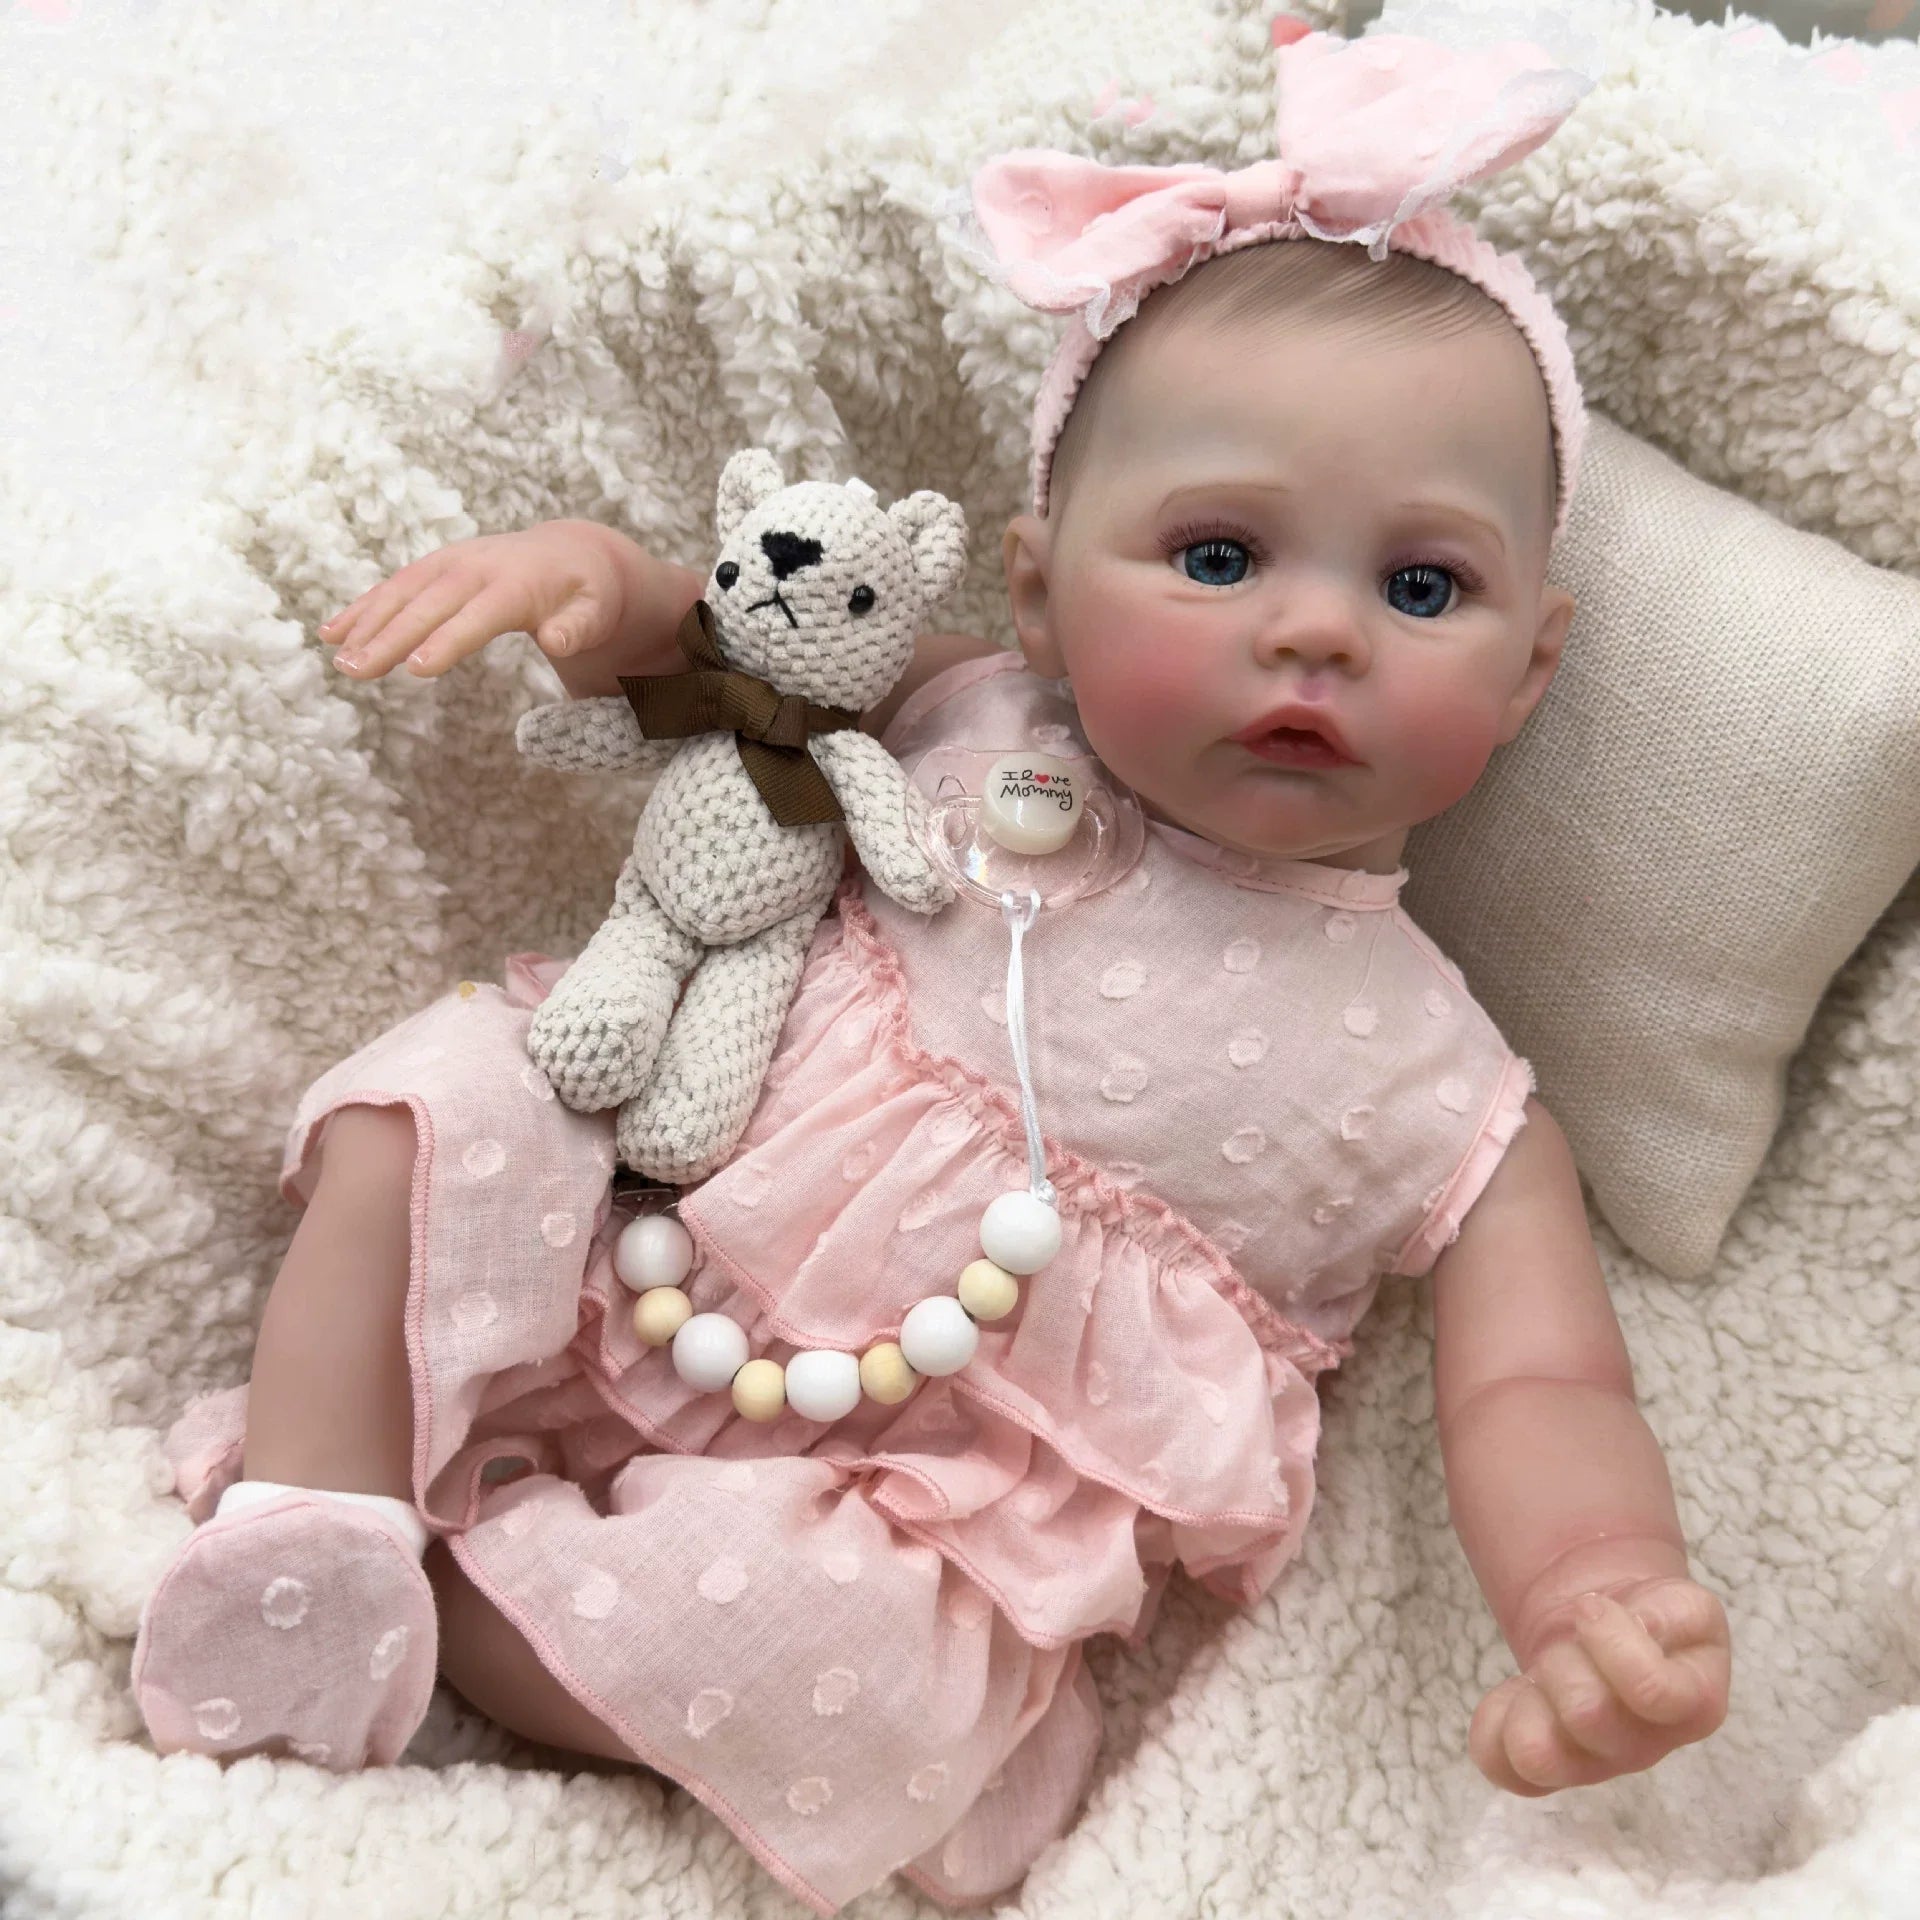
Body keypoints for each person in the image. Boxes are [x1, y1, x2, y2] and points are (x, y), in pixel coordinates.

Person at [130, 23, 1730, 1915]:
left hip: (885, 1506)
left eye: (1421, 588)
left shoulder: (1454, 1093)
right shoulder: (971, 709)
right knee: (447, 1101)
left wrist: (1595, 1588)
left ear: (1531, 666)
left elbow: (1538, 1384)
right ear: (1040, 592)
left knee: (848, 1662)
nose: (1317, 632)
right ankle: (319, 1515)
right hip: (627, 1222)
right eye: (1221, 556)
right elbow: (739, 665)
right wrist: (610, 593)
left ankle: (455, 1602)